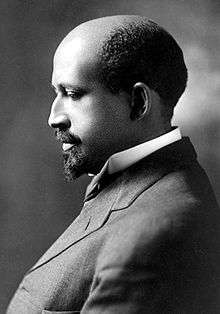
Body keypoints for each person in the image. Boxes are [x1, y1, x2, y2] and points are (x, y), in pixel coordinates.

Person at [7, 15, 220, 313]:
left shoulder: (155, 234)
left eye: (73, 94)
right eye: (56, 92)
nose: (54, 116)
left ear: (138, 102)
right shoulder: (129, 191)